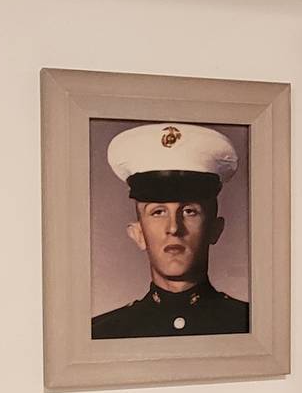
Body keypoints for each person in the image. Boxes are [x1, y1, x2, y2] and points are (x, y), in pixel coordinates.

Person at [91, 122, 249, 339]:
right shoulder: (102, 333)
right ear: (138, 234)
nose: (174, 228)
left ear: (215, 229)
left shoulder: (250, 324)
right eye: (158, 212)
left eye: (189, 211)